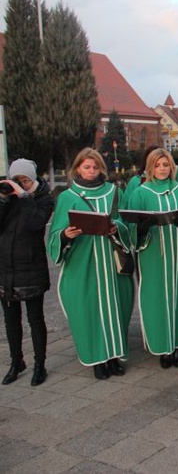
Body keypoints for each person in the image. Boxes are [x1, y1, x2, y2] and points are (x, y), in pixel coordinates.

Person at [47, 148, 134, 380]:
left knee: (116, 308)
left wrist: (117, 227)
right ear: (77, 169)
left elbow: (127, 223)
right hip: (83, 263)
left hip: (111, 261)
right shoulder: (67, 197)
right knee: (89, 310)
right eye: (87, 167)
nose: (92, 171)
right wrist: (66, 233)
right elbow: (55, 233)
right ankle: (98, 359)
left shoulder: (114, 192)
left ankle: (115, 356)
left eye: (95, 167)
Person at [127, 149, 178, 368]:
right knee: (156, 299)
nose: (162, 169)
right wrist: (141, 227)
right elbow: (129, 224)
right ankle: (163, 348)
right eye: (157, 165)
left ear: (172, 167)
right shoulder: (140, 193)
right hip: (152, 254)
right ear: (150, 167)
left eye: (165, 165)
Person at [0, 159, 53, 386]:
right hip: (5, 269)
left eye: (25, 180)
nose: (20, 183)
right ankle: (16, 361)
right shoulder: (7, 198)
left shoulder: (43, 199)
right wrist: (3, 200)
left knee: (35, 319)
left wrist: (23, 196)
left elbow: (35, 224)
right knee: (11, 322)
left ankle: (40, 364)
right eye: (17, 180)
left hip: (32, 268)